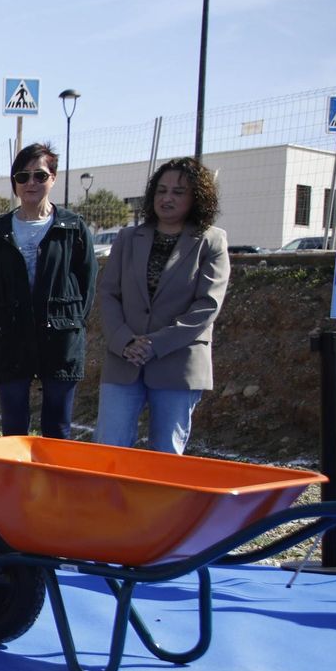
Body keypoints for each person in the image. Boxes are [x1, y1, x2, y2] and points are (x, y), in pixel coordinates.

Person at [95, 157, 229, 453]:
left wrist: (154, 344)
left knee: (166, 455)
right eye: (161, 190)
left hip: (177, 363)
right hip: (124, 360)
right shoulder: (128, 238)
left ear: (197, 198)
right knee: (108, 450)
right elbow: (108, 294)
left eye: (178, 192)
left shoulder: (212, 242)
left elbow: (207, 305)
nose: (167, 198)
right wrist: (126, 341)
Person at [0, 143, 96, 440]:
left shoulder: (73, 228)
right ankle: (17, 486)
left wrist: (69, 321)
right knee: (14, 427)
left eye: (40, 176)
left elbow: (87, 282)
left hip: (59, 338)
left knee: (57, 428)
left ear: (53, 178)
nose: (31, 183)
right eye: (23, 176)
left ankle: (55, 487)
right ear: (14, 183)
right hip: (11, 338)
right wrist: (3, 321)